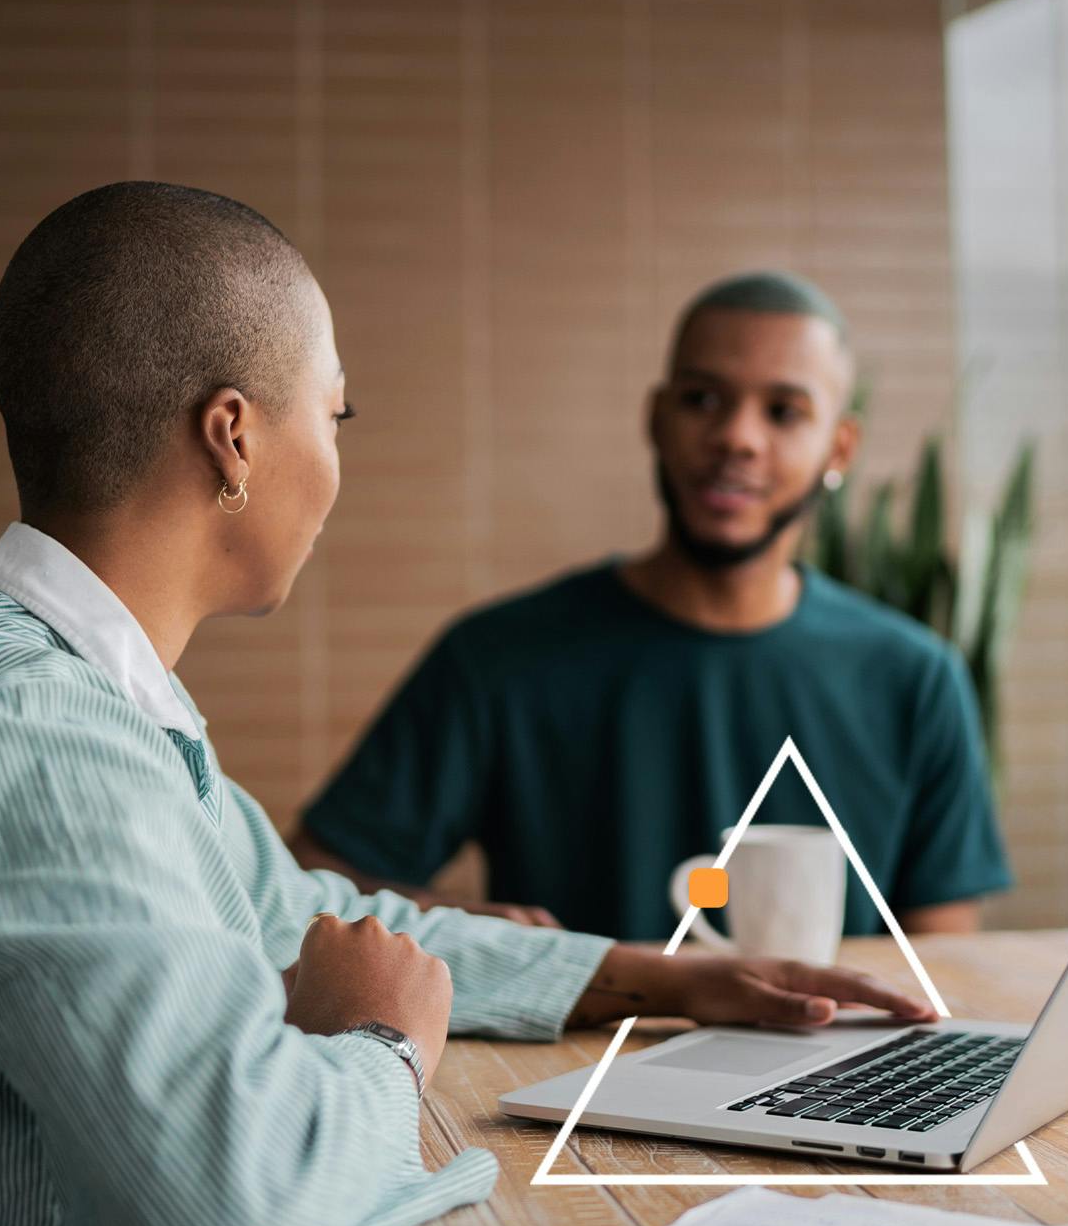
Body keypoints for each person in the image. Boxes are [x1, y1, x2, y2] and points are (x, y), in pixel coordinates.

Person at [0, 184, 933, 1226]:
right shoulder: (39, 734)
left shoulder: (79, 700)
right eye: (336, 413)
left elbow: (298, 911)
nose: (336, 463)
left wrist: (654, 975)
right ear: (234, 438)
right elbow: (233, 1203)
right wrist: (380, 1043)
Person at [293, 272, 1012, 940]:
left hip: (836, 1076)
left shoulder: (915, 679)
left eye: (784, 411)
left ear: (840, 449)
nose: (737, 437)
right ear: (657, 419)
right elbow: (308, 887)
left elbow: (939, 968)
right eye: (702, 400)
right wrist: (478, 934)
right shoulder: (500, 657)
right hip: (576, 1073)